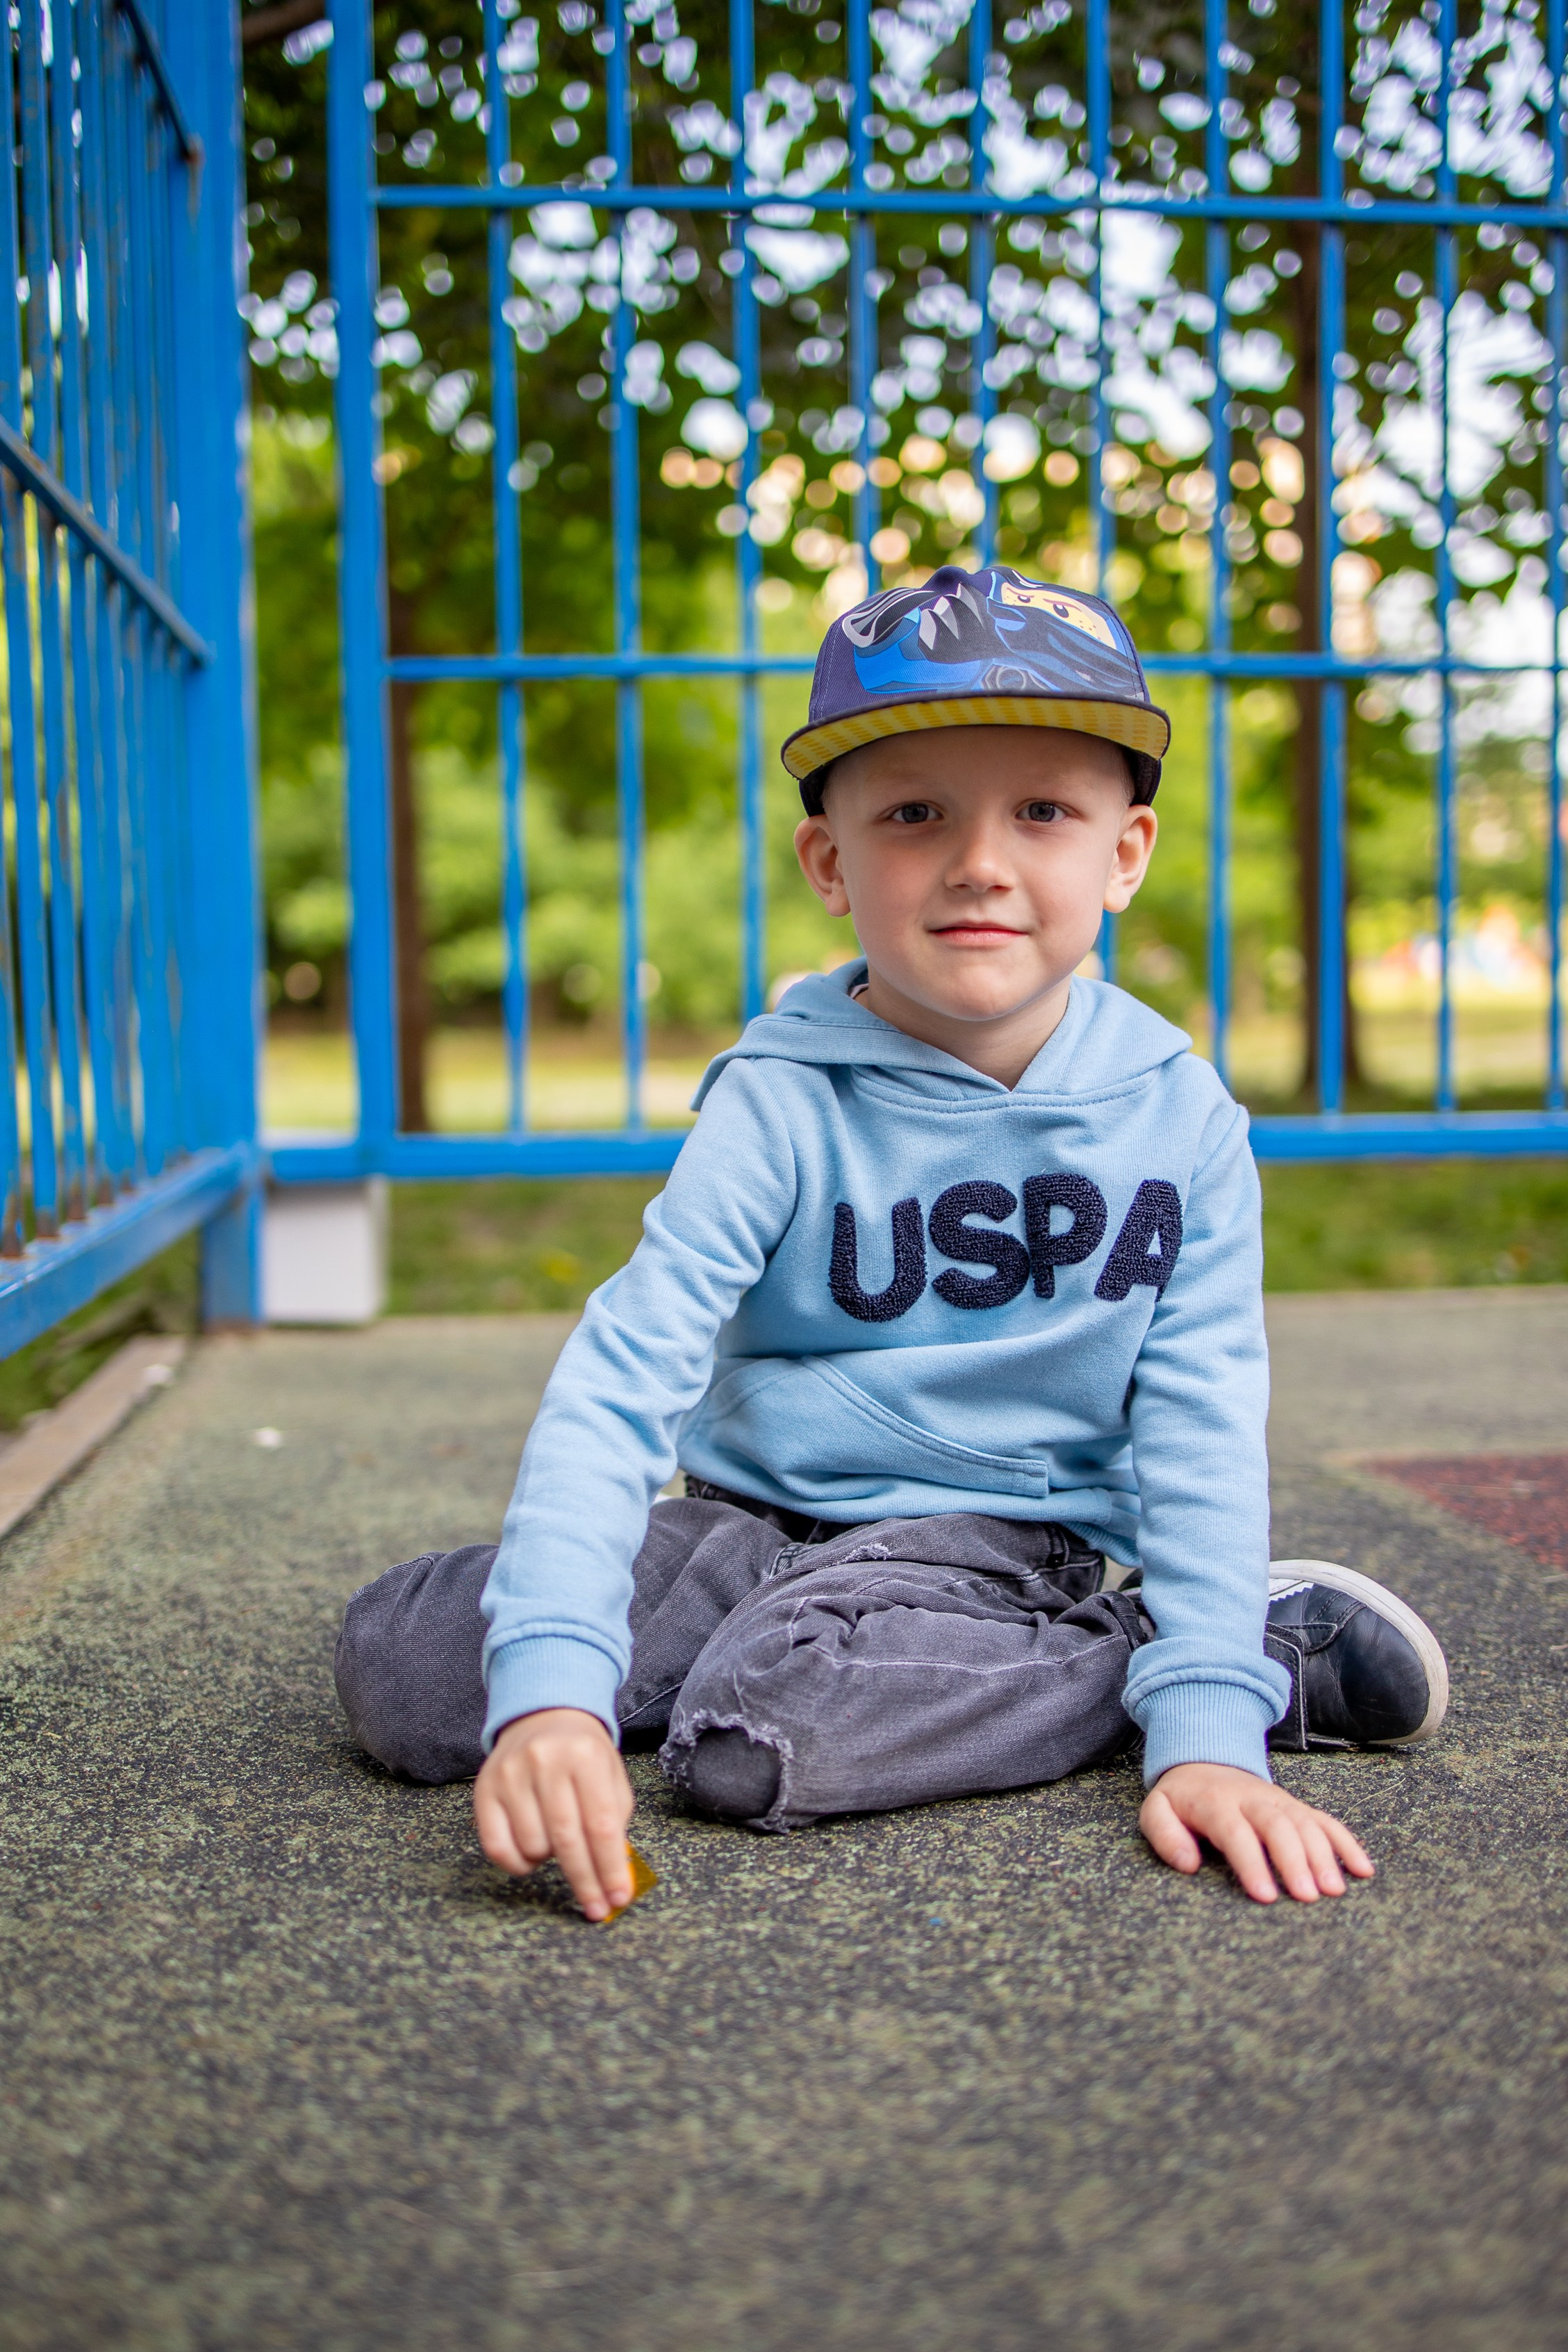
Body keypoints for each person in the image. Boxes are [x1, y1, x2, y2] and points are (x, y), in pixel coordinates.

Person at [335, 564, 1448, 1921]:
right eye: (914, 815)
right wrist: (554, 1693)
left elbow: (1200, 1420)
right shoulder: (779, 1094)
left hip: (997, 1543)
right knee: (411, 1669)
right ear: (830, 862)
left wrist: (1208, 1724)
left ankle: (1218, 1649)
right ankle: (822, 1659)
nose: (978, 860)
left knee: (759, 1732)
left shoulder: (1179, 1116)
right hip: (754, 1525)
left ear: (1124, 855)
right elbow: (623, 1375)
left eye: (1042, 811)